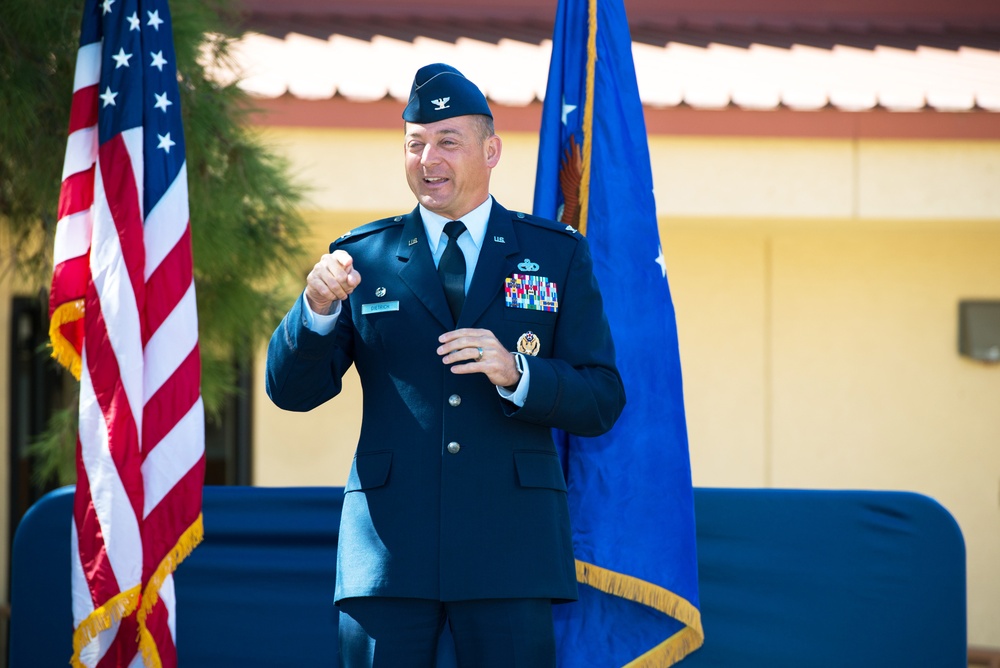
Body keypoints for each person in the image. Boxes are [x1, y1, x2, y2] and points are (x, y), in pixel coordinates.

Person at [265, 63, 626, 668]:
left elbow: (603, 398)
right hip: (388, 554)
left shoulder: (554, 254)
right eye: (415, 143)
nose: (427, 158)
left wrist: (518, 373)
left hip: (511, 551)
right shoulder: (362, 257)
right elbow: (289, 391)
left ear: (492, 150)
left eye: (447, 142)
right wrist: (315, 309)